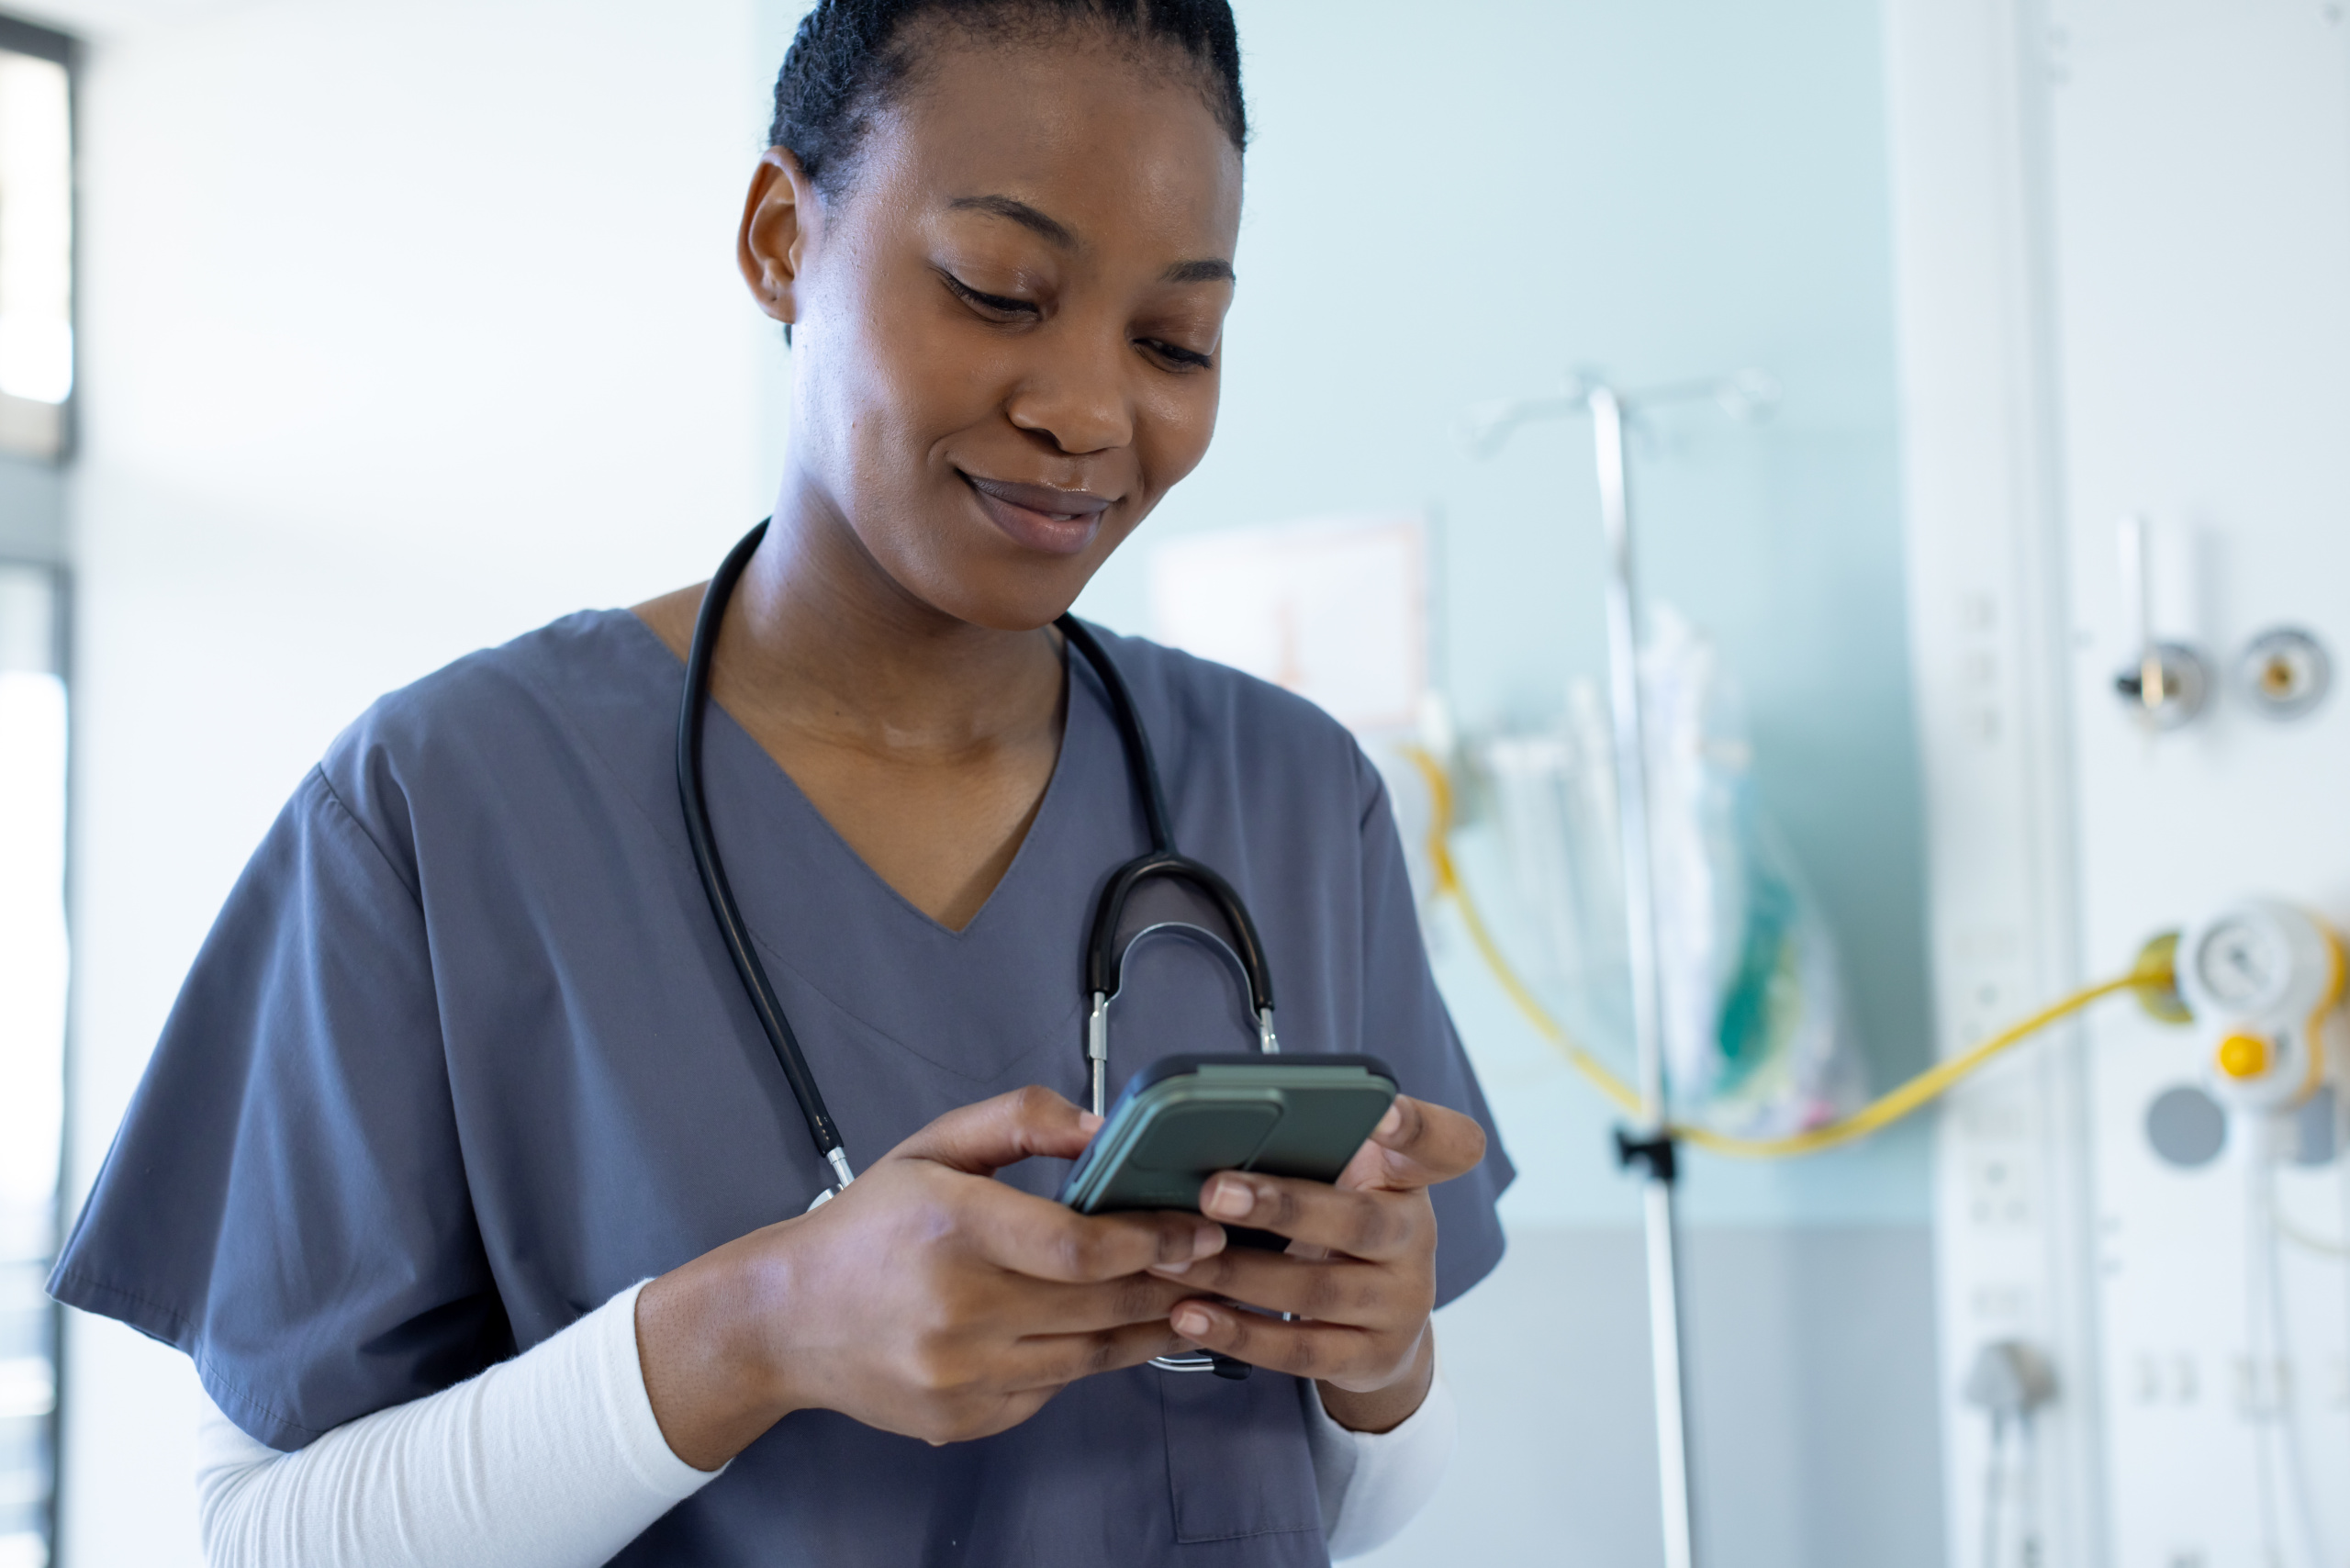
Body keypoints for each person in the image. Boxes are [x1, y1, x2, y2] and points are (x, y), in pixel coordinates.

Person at [49, 1, 1514, 1563]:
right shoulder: (446, 805)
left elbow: (1344, 1507)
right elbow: (264, 1533)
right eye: (998, 291)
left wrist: (1382, 1363)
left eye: (1174, 342)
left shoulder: (1293, 797)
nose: (1089, 412)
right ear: (776, 241)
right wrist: (758, 1329)